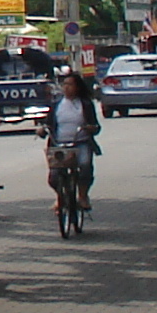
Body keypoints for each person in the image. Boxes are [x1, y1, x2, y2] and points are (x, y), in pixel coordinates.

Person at [47, 67, 102, 212]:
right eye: (64, 84)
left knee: (85, 168)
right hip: (59, 144)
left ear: (77, 87)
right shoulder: (57, 104)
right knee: (54, 177)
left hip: (81, 143)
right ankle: (60, 197)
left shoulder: (85, 104)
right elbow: (48, 123)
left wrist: (90, 128)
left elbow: (95, 125)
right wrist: (42, 130)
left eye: (70, 84)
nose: (66, 88)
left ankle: (83, 196)